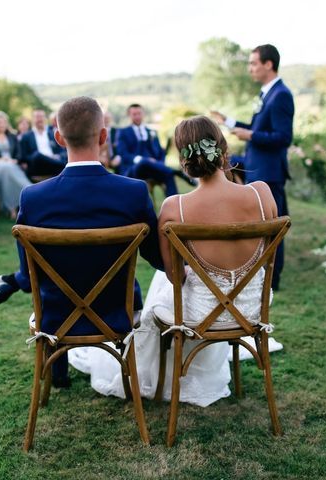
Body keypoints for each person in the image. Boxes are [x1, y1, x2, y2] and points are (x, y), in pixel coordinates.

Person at [69, 115, 280, 407]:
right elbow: (268, 256)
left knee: (164, 281)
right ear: (223, 149)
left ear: (184, 160)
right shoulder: (261, 194)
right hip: (252, 306)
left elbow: (174, 277)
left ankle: (165, 375)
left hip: (201, 314)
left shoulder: (174, 207)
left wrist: (204, 271)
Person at [0, 96, 163, 388]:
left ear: (58, 138)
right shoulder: (134, 192)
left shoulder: (33, 198)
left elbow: (29, 274)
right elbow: (157, 259)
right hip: (118, 312)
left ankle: (57, 372)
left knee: (53, 283)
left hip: (55, 314)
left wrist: (18, 280)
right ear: (103, 136)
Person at [211, 44, 294, 290]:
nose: (250, 68)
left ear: (269, 64)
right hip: (259, 169)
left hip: (270, 171)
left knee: (273, 227)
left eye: (253, 63)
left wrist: (250, 136)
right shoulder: (266, 93)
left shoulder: (281, 95)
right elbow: (259, 127)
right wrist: (230, 122)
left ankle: (273, 280)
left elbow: (283, 137)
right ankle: (262, 275)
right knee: (261, 227)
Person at [115, 104, 195, 196]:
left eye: (139, 113)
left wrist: (160, 163)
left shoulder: (151, 132)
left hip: (153, 169)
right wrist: (142, 159)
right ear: (129, 115)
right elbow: (123, 154)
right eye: (134, 114)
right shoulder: (123, 132)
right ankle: (177, 172)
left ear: (143, 114)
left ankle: (174, 203)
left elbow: (160, 152)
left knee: (168, 175)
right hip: (134, 169)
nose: (137, 116)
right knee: (144, 162)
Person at [20, 108, 66, 177]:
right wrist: (44, 157)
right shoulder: (26, 136)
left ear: (45, 118)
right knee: (37, 155)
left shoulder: (52, 134)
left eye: (41, 117)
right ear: (33, 119)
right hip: (38, 166)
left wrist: (58, 156)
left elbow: (62, 151)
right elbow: (24, 157)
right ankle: (64, 166)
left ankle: (61, 165)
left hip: (54, 164)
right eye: (37, 117)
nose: (40, 119)